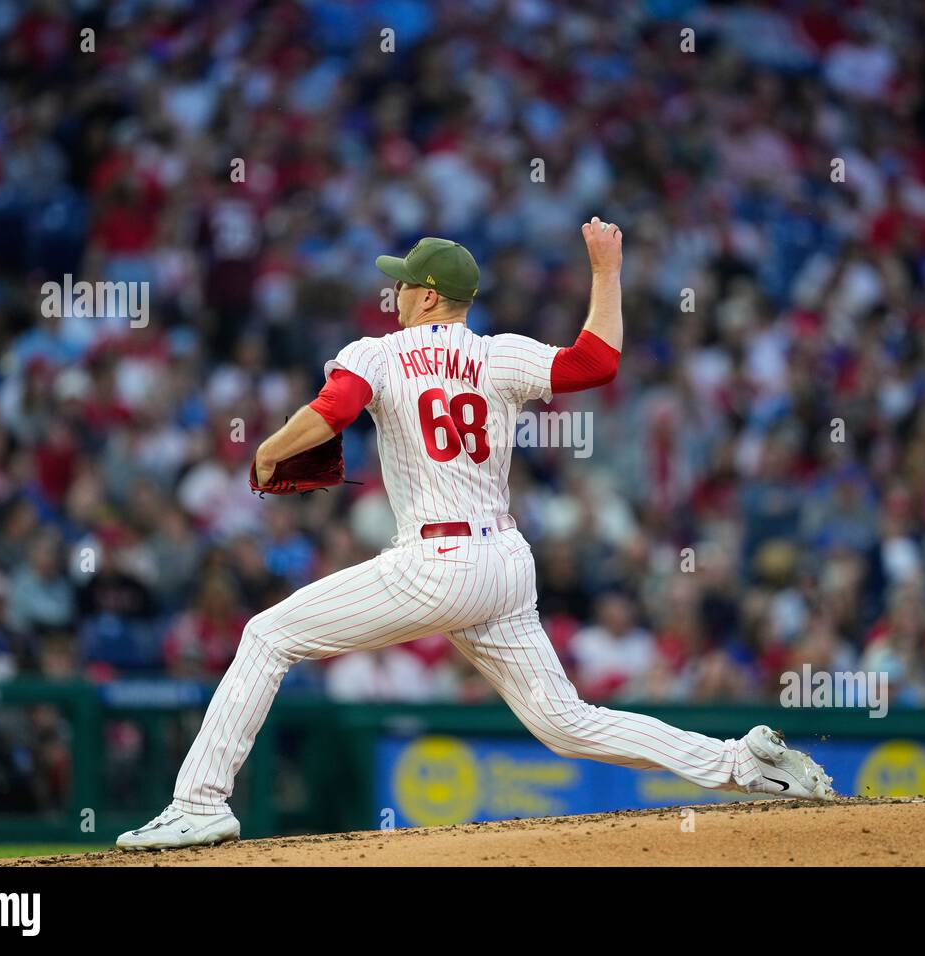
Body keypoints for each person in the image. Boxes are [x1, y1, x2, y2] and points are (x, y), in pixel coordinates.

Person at [117, 220, 834, 851]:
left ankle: (197, 804)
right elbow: (598, 361)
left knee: (268, 637)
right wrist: (607, 271)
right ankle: (743, 763)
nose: (392, 294)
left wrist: (271, 448)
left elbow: (334, 409)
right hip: (504, 563)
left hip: (436, 561)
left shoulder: (377, 353)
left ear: (428, 295)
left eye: (403, 284)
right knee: (565, 722)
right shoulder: (498, 355)